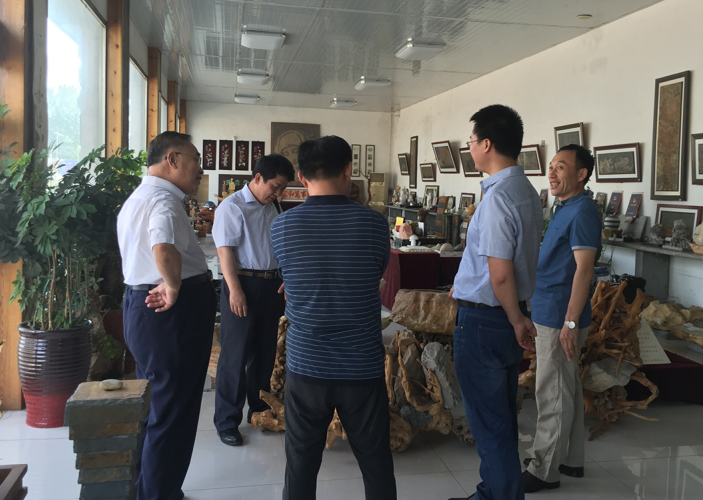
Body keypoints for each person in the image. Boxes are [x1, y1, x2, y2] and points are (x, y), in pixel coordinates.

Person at [270, 135, 396, 500]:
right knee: (376, 464)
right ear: (348, 170)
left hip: (307, 364)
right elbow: (373, 275)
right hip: (361, 365)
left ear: (301, 177)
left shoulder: (282, 226)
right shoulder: (374, 224)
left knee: (300, 464)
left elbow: (293, 277)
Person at [448, 105, 542, 500]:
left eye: (471, 141)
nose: (469, 148)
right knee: (501, 416)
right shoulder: (527, 192)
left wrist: (517, 320)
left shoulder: (498, 198)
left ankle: (501, 495)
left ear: (486, 144)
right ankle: (494, 490)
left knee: (489, 424)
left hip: (486, 321)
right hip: (504, 316)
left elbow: (500, 273)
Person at [117, 132, 216, 500]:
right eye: (195, 159)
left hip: (142, 306)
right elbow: (162, 247)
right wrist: (173, 286)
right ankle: (158, 494)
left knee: (156, 405)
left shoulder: (139, 197)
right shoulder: (164, 200)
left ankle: (150, 489)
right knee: (173, 412)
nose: (201, 169)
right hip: (172, 313)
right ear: (172, 160)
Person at [522, 145, 601, 493]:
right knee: (566, 387)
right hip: (550, 310)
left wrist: (569, 323)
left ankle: (544, 470)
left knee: (551, 392)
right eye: (551, 166)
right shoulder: (565, 207)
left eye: (561, 167)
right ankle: (570, 459)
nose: (552, 173)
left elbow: (584, 271)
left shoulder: (582, 212)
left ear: (581, 174)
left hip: (559, 316)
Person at [212, 154, 295, 446]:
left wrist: (284, 276)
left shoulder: (273, 206)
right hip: (242, 284)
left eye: (282, 188)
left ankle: (258, 410)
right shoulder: (232, 206)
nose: (278, 193)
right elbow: (224, 252)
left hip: (271, 286)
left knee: (264, 353)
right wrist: (235, 290)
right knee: (234, 356)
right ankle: (227, 421)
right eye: (275, 186)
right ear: (258, 178)